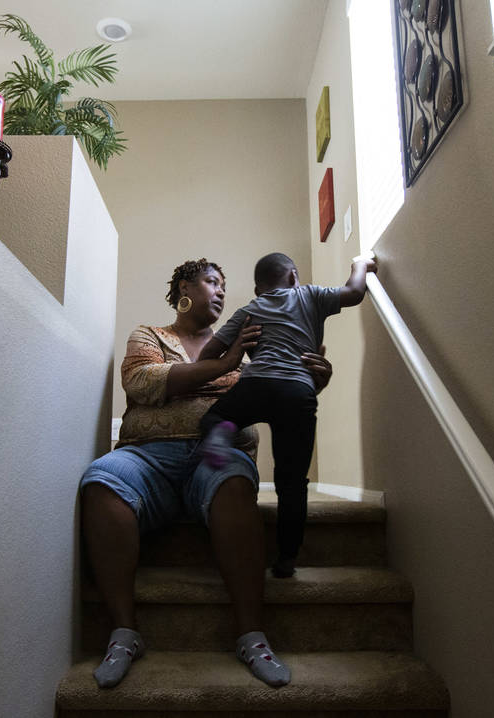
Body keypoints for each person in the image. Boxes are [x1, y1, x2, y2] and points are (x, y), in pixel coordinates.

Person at [78, 258, 333, 690]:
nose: (220, 291)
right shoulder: (151, 335)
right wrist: (224, 366)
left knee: (235, 484)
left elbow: (265, 390)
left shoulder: (244, 337)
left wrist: (309, 381)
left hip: (216, 456)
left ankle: (252, 636)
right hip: (146, 457)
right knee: (102, 480)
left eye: (224, 285)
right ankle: (123, 633)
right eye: (212, 282)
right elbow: (141, 381)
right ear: (184, 289)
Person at [197, 252, 378, 578]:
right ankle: (287, 559)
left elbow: (209, 355)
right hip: (297, 393)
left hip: (256, 385)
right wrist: (360, 265)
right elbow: (353, 293)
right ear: (294, 276)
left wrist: (238, 346)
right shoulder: (309, 294)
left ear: (257, 288)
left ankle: (224, 432)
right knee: (292, 482)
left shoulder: (250, 310)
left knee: (212, 420)